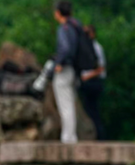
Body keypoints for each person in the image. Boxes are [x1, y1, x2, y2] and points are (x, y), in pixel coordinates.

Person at [52, 1, 80, 144]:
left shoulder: (64, 28)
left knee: (65, 104)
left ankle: (67, 138)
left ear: (58, 12)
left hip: (65, 69)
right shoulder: (76, 25)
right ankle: (71, 136)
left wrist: (59, 63)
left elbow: (65, 48)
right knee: (70, 103)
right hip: (75, 69)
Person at [80, 25, 107, 140]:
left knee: (92, 110)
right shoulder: (85, 47)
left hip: (93, 81)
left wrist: (87, 76)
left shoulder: (96, 47)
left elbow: (101, 68)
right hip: (87, 81)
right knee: (88, 109)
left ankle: (99, 137)